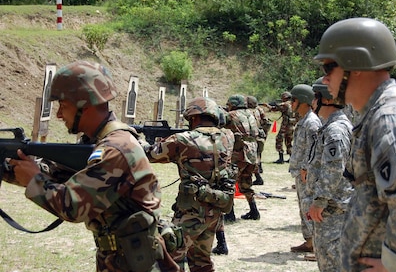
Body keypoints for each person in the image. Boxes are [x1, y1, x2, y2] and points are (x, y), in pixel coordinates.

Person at [3, 60, 180, 272]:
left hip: (136, 260)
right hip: (123, 257)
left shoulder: (117, 149)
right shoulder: (97, 143)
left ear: (84, 106)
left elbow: (73, 206)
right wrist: (10, 166)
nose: (59, 115)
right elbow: (54, 172)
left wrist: (32, 179)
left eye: (63, 106)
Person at [314, 17, 396, 272]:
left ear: (354, 64)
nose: (324, 80)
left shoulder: (391, 117)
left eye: (327, 68)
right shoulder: (378, 114)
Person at [144, 96, 236, 271]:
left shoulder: (183, 140)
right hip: (215, 211)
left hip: (191, 212)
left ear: (194, 117)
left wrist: (137, 140)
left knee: (171, 259)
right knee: (202, 262)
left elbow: (149, 154)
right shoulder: (227, 137)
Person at [306, 77, 353, 270]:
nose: (312, 102)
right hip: (332, 206)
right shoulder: (332, 126)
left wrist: (320, 200)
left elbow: (333, 169)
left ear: (325, 99)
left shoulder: (335, 130)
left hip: (333, 208)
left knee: (332, 260)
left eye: (315, 97)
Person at [288, 84, 322, 254]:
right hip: (301, 174)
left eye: (293, 100)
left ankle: (316, 243)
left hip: (306, 174)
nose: (291, 104)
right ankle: (309, 242)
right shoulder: (304, 121)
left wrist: (305, 169)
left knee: (309, 207)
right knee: (304, 208)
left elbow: (315, 149)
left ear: (302, 101)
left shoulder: (312, 122)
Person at [224, 94, 260, 221]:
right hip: (252, 152)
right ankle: (254, 211)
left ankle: (230, 214)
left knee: (229, 182)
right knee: (246, 182)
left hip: (239, 152)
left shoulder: (231, 115)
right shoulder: (252, 114)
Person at [265, 91, 297, 164]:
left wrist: (268, 106)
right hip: (293, 126)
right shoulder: (293, 104)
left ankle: (281, 158)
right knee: (289, 142)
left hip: (286, 126)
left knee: (279, 140)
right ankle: (291, 157)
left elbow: (275, 108)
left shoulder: (285, 104)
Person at [246, 95, 271, 185]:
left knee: (252, 157)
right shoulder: (259, 110)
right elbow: (267, 122)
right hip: (259, 136)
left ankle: (258, 176)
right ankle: (259, 171)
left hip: (252, 136)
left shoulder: (247, 112)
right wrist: (263, 133)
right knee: (257, 155)